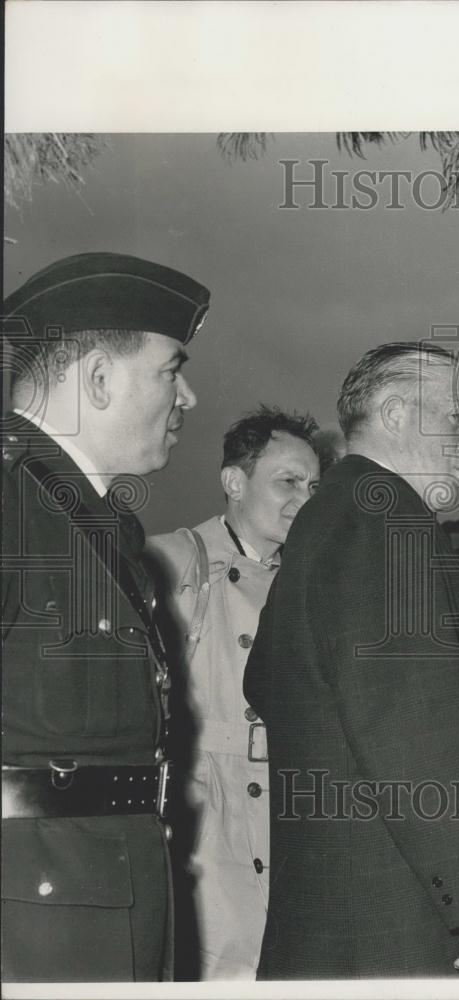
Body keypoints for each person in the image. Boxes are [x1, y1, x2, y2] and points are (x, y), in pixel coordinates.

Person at [243, 341, 459, 979]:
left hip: (338, 909)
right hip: (400, 922)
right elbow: (413, 730)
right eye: (454, 416)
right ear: (396, 414)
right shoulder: (390, 523)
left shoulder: (327, 518)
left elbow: (264, 679)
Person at [1, 251, 209, 982]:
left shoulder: (94, 522)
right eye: (169, 369)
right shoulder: (12, 499)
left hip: (104, 895)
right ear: (96, 378)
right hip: (33, 925)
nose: (186, 396)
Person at [143, 405, 320, 980]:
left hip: (292, 806)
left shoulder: (314, 581)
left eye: (314, 485)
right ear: (234, 482)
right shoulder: (167, 563)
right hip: (205, 810)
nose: (305, 497)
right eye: (288, 481)